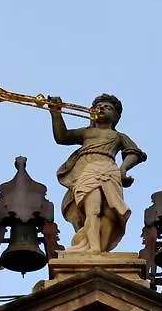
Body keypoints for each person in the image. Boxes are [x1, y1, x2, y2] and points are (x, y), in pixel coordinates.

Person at [49, 93, 146, 254]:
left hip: (110, 171)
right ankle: (93, 248)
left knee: (110, 212)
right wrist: (56, 114)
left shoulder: (118, 136)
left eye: (107, 107)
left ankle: (102, 248)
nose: (102, 108)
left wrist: (123, 169)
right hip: (87, 171)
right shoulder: (86, 133)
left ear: (116, 116)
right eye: (98, 107)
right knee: (92, 210)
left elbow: (134, 152)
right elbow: (62, 136)